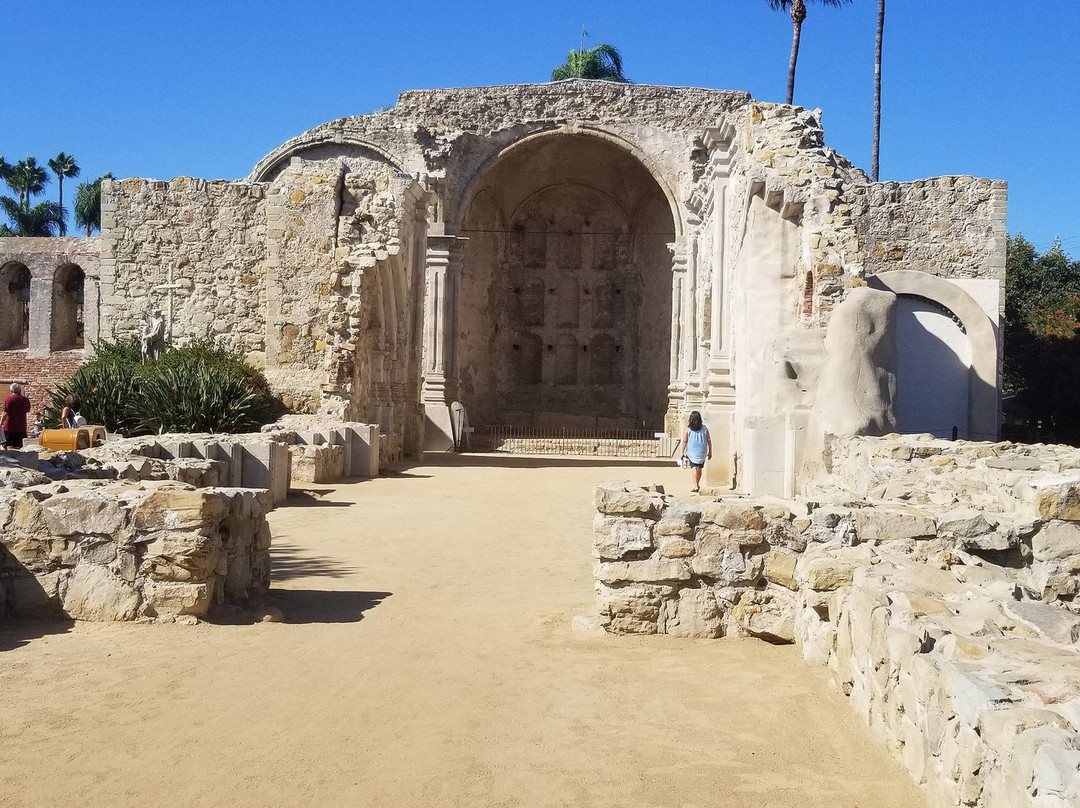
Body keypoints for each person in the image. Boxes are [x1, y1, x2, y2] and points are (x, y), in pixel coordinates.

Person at [681, 410, 712, 494]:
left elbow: (684, 441)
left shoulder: (688, 429)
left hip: (692, 452)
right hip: (702, 451)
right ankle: (697, 483)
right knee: (699, 468)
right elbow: (709, 440)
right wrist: (710, 451)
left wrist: (682, 452)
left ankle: (696, 485)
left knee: (694, 467)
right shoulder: (704, 428)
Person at [1, 383, 32, 449]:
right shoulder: (25, 400)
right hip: (21, 428)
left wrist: (0, 424)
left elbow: (5, 413)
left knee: (7, 448)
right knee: (20, 448)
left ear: (11, 391)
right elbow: (27, 410)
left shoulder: (9, 399)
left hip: (9, 428)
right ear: (20, 390)